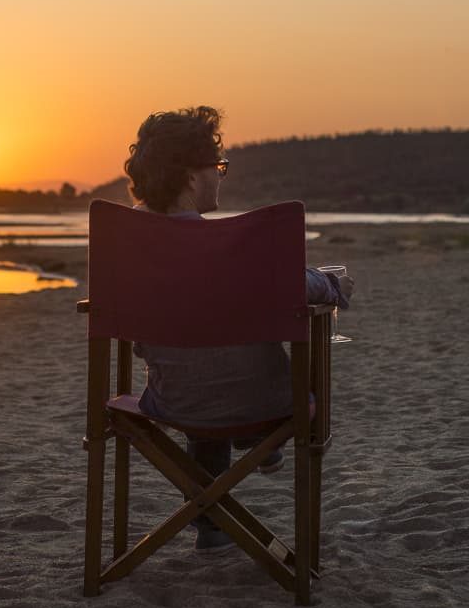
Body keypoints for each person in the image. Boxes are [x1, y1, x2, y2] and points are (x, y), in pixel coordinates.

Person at [123, 105, 355, 553]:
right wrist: (332, 284)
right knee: (235, 380)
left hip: (172, 400)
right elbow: (298, 284)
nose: (221, 177)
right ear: (191, 177)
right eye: (218, 167)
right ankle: (256, 440)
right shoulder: (231, 247)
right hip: (265, 402)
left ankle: (210, 524)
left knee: (201, 373)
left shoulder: (132, 248)